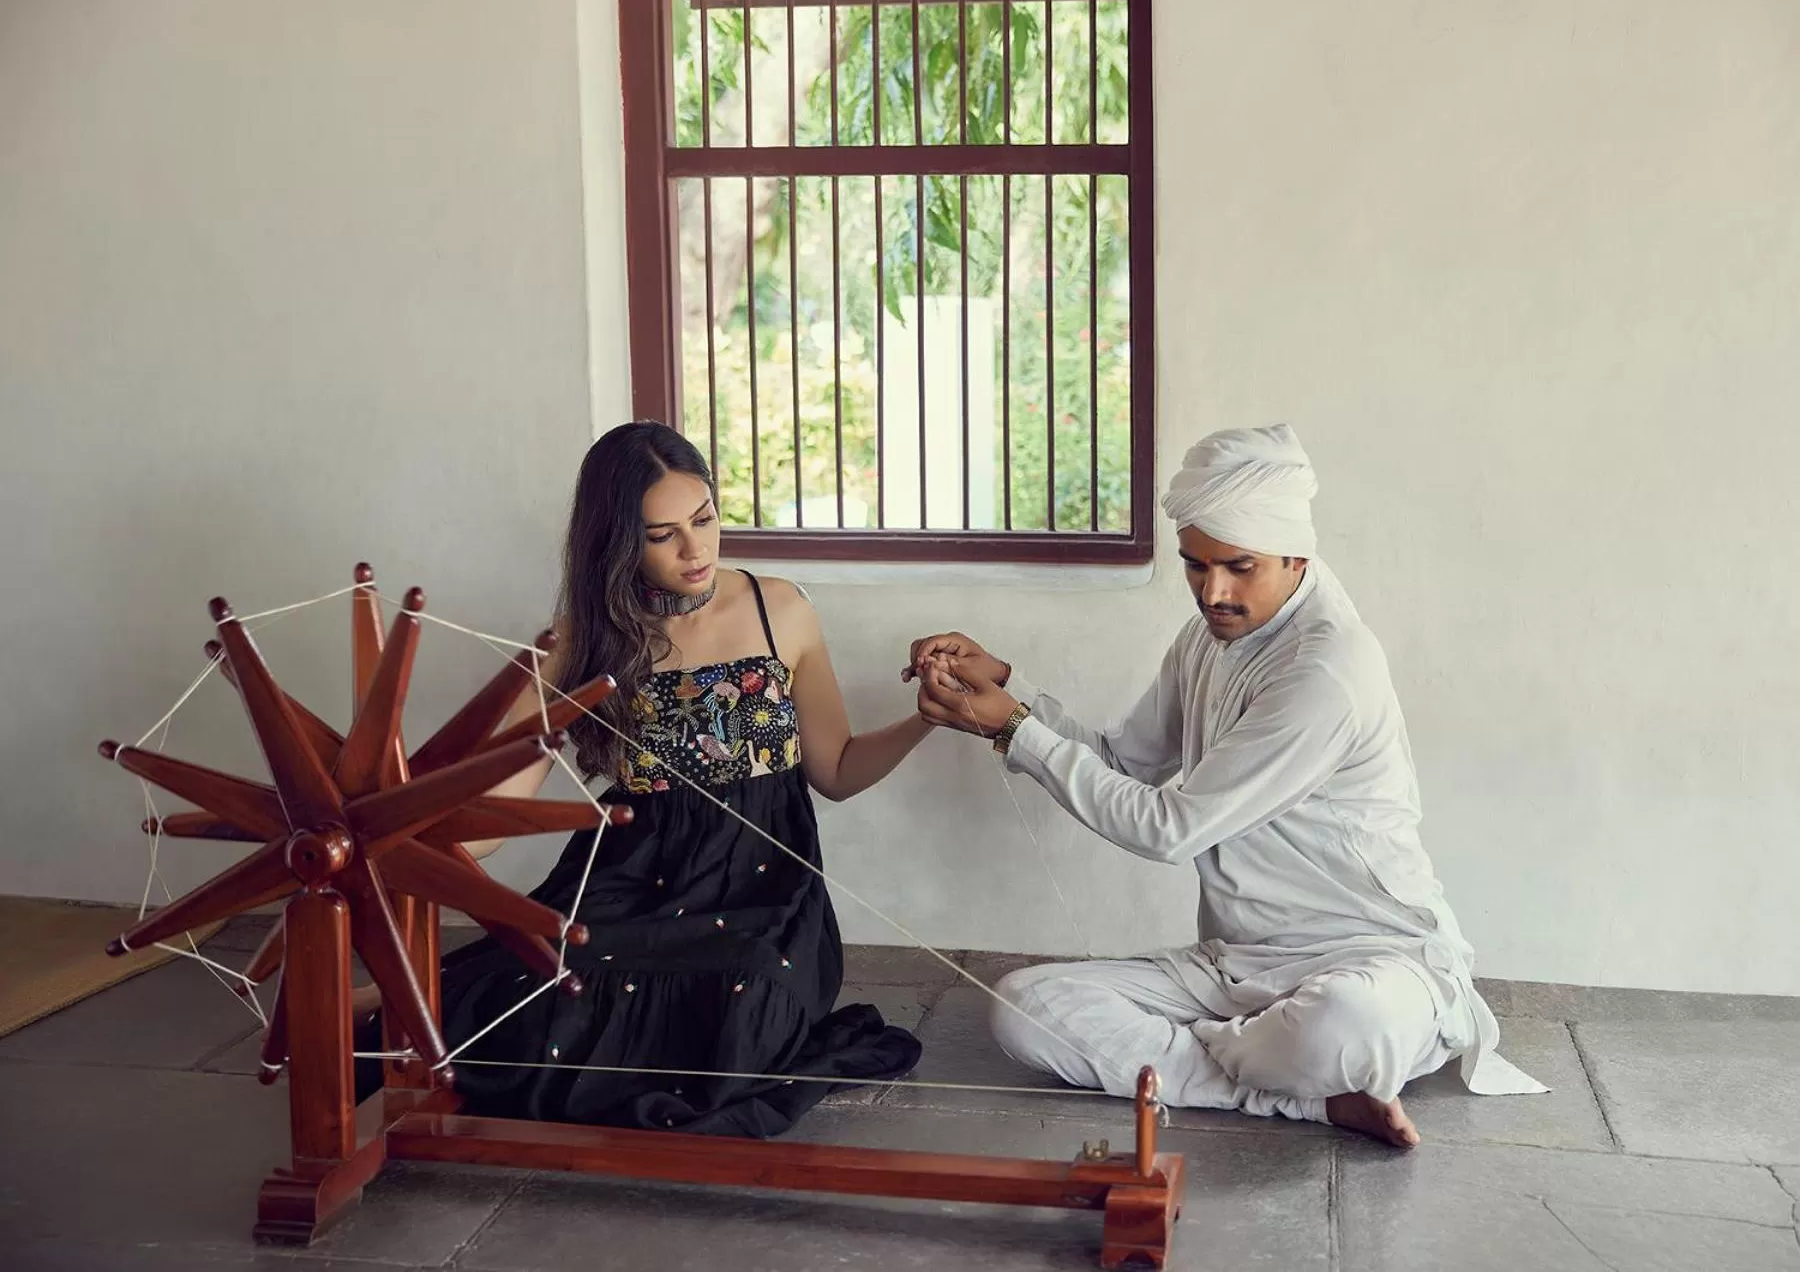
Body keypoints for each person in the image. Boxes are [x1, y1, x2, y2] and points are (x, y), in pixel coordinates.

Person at [905, 424, 1545, 1148]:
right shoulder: (1207, 637)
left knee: (1343, 1028)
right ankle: (1306, 1097)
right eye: (1196, 566)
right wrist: (1008, 691)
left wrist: (1017, 728)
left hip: (1373, 961)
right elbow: (1123, 765)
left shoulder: (1328, 669)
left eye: (1239, 567)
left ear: (1296, 554)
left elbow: (1170, 829)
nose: (1214, 592)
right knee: (1023, 1007)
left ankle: (1237, 1058)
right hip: (1234, 965)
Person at [356, 421, 925, 1136]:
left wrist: (924, 720)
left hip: (766, 891)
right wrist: (402, 834)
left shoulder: (781, 610)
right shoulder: (581, 644)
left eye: (705, 519)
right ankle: (387, 1003)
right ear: (618, 542)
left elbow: (836, 771)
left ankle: (403, 1002)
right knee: (537, 1000)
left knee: (746, 1008)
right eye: (663, 535)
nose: (696, 550)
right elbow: (495, 825)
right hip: (635, 874)